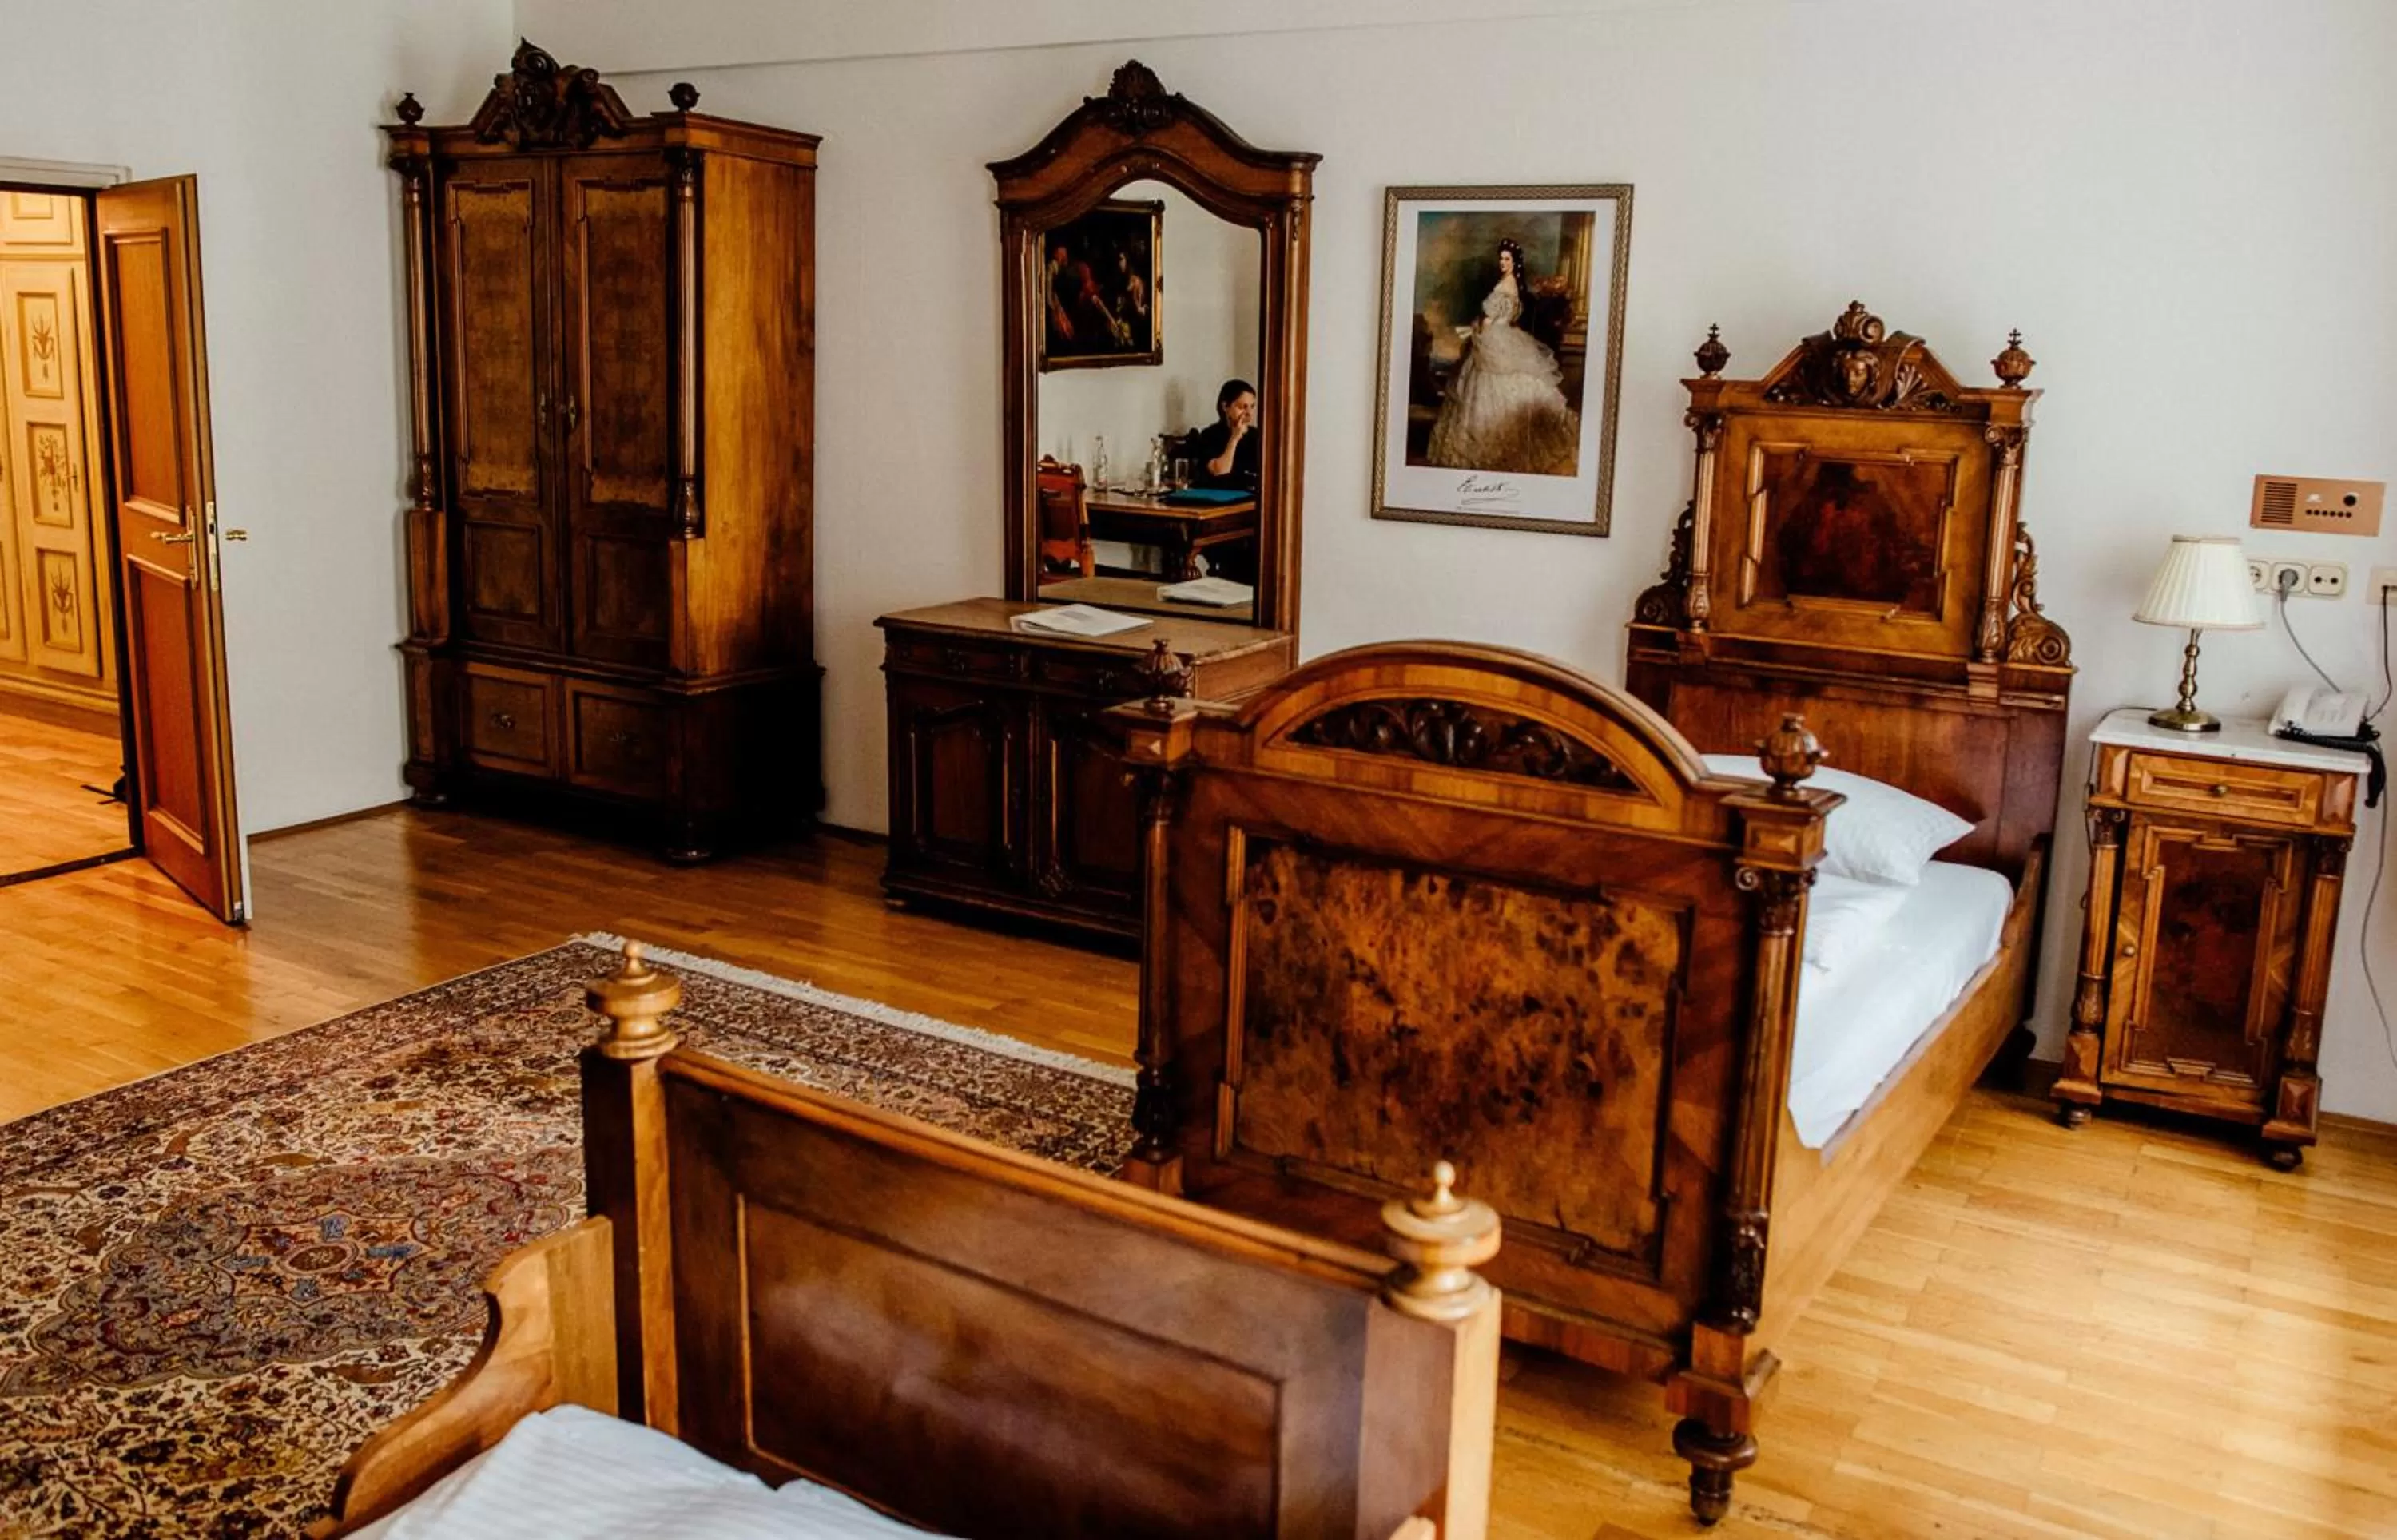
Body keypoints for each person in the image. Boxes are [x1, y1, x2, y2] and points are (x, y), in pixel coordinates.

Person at [1422, 239, 1581, 477]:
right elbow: (1509, 317)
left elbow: (1488, 320)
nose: (1503, 262)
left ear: (1515, 262)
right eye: (1501, 258)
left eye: (1507, 259)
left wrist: (1479, 330)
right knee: (1496, 384)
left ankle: (1488, 448)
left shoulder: (1504, 285)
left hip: (1494, 337)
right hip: (1506, 335)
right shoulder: (1514, 284)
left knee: (1485, 384)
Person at [1189, 379, 1262, 490]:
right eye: (1242, 407)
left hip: (1249, 495)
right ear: (1225, 407)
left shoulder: (1255, 435)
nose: (1249, 414)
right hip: (1217, 495)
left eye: (1252, 407)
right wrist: (1235, 438)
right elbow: (1219, 470)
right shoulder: (1210, 435)